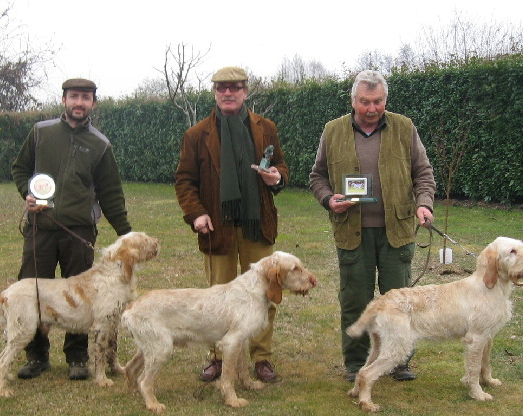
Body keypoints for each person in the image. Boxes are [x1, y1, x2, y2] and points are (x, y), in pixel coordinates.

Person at [309, 70, 436, 382]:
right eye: (364, 102)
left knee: (400, 303)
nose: (371, 108)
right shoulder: (333, 130)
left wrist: (424, 203)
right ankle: (355, 364)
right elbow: (317, 176)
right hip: (352, 232)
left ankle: (399, 361)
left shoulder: (404, 127)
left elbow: (423, 172)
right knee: (355, 300)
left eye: (377, 101)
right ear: (353, 100)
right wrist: (328, 200)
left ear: (385, 99)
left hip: (397, 231)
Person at [11, 78, 132, 381]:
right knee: (34, 289)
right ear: (64, 99)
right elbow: (21, 169)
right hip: (40, 226)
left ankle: (77, 357)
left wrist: (126, 234)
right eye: (74, 96)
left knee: (80, 295)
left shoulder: (101, 145)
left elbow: (111, 193)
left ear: (93, 103)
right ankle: (36, 355)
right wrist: (28, 192)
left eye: (86, 98)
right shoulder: (41, 132)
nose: (80, 102)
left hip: (79, 231)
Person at [175, 66, 289, 383]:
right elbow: (184, 181)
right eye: (222, 88)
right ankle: (217, 357)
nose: (228, 93)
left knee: (265, 294)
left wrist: (276, 177)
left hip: (258, 225)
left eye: (235, 87)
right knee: (216, 299)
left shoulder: (266, 128)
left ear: (245, 92)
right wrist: (196, 213)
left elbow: (281, 166)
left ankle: (262, 358)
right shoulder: (197, 135)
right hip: (217, 229)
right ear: (215, 92)